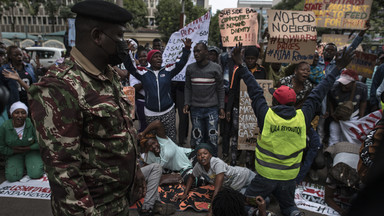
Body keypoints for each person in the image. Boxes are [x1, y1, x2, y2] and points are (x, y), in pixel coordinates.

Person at [28, 1, 145, 215]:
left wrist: (135, 169)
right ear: (97, 36)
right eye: (119, 36)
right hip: (93, 208)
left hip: (118, 203)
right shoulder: (60, 86)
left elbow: (121, 130)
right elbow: (64, 173)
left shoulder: (107, 76)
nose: (125, 44)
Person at [232, 42, 355, 216]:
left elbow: (254, 90)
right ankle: (294, 213)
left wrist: (241, 64)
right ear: (293, 102)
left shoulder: (266, 115)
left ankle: (260, 212)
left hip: (265, 176)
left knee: (246, 202)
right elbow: (319, 91)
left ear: (274, 102)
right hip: (289, 177)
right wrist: (338, 69)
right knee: (288, 206)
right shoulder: (302, 117)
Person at [124, 38, 192, 143]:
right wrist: (128, 51)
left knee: (170, 139)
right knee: (153, 140)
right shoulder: (143, 72)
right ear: (150, 60)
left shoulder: (168, 70)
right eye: (156, 57)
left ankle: (171, 158)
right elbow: (130, 66)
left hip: (168, 111)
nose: (159, 58)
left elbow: (181, 63)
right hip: (151, 113)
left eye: (160, 56)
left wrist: (186, 48)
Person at [179, 143, 256, 216]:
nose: (202, 156)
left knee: (262, 193)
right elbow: (191, 177)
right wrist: (185, 193)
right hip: (236, 188)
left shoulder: (217, 163)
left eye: (205, 153)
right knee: (250, 202)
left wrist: (211, 210)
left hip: (246, 177)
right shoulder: (198, 166)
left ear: (210, 155)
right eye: (199, 155)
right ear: (197, 157)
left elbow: (217, 189)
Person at [183, 42, 225, 156]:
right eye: (194, 51)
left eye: (198, 51)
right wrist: (187, 103)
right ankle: (198, 163)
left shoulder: (216, 68)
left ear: (206, 52)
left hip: (212, 109)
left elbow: (220, 88)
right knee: (197, 138)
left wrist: (221, 107)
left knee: (212, 138)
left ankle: (214, 163)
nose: (196, 54)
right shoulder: (190, 68)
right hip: (196, 109)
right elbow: (188, 87)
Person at [227, 46, 265, 167]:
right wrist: (229, 109)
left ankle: (249, 161)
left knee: (251, 134)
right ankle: (234, 160)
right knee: (236, 134)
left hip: (253, 109)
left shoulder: (262, 71)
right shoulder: (238, 70)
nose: (249, 61)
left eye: (252, 59)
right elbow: (232, 90)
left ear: (257, 59)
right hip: (239, 107)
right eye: (247, 58)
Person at [0, 101, 43, 182]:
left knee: (36, 174)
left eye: (23, 113)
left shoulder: (31, 124)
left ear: (26, 114)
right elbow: (1, 147)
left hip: (31, 152)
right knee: (12, 177)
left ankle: (30, 163)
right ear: (11, 114)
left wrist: (28, 148)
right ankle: (21, 165)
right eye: (16, 113)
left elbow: (41, 142)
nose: (20, 116)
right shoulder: (4, 127)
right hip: (14, 154)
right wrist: (13, 150)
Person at [328, 69, 367, 146]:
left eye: (346, 84)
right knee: (334, 138)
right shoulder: (334, 87)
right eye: (341, 83)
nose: (343, 85)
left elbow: (363, 101)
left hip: (353, 117)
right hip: (337, 117)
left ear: (353, 83)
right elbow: (330, 100)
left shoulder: (362, 88)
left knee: (349, 139)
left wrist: (361, 117)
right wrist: (332, 113)